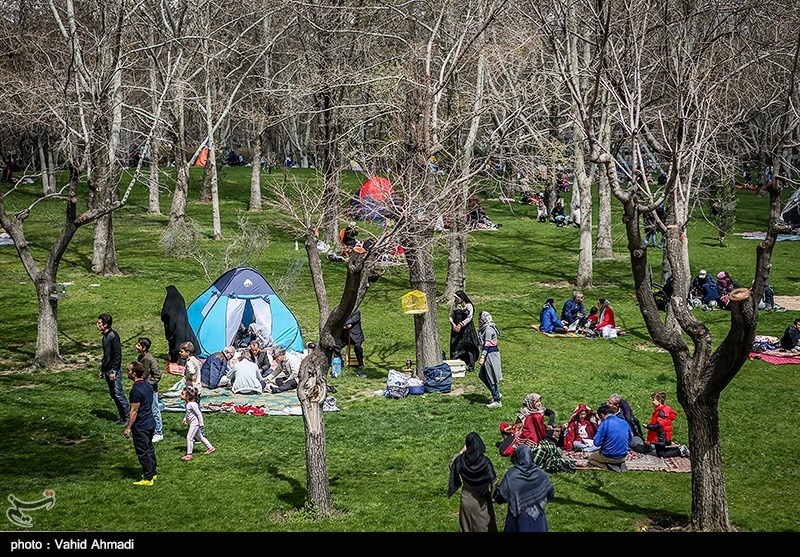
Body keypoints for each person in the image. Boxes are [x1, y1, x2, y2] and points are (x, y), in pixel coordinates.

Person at [494, 445, 555, 532]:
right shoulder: (540, 474)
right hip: (538, 517)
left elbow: (501, 495)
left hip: (518, 518)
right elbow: (550, 493)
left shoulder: (512, 475)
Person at [448, 432, 498, 532]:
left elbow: (452, 464)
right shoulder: (485, 462)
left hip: (466, 499)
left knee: (466, 527)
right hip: (481, 501)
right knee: (483, 527)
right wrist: (493, 497)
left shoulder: (461, 460)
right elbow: (494, 482)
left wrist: (461, 452)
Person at [123, 361, 157, 486]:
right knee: (149, 448)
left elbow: (134, 411)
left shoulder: (136, 390)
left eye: (129, 370)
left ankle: (148, 478)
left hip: (141, 425)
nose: (128, 372)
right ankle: (153, 472)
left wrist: (128, 428)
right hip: (150, 422)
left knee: (142, 451)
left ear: (134, 373)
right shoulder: (148, 385)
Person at [97, 313, 129, 425]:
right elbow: (106, 355)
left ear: (105, 325)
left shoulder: (113, 336)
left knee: (118, 393)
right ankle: (122, 417)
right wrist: (102, 369)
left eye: (99, 323)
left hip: (113, 370)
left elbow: (117, 355)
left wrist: (114, 370)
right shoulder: (105, 337)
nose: (97, 325)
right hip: (107, 369)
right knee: (113, 394)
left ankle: (128, 418)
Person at [584, 403, 632, 470]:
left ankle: (607, 466)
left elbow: (597, 443)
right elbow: (630, 438)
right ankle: (619, 463)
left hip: (609, 455)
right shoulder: (624, 422)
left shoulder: (604, 424)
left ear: (602, 415)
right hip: (623, 456)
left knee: (592, 459)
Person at [645, 391, 690, 458]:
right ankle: (680, 448)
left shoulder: (661, 412)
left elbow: (660, 426)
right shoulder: (663, 409)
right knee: (661, 451)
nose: (652, 402)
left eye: (653, 400)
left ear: (659, 401)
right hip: (662, 435)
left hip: (661, 436)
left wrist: (648, 426)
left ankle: (679, 451)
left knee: (661, 454)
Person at [160, 285, 198, 364]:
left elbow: (165, 313)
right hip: (182, 324)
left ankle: (176, 358)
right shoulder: (180, 298)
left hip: (173, 326)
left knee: (175, 342)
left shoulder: (170, 300)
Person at [136, 337, 164, 443]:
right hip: (143, 388)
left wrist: (148, 384)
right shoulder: (140, 358)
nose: (136, 346)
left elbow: (157, 375)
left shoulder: (150, 359)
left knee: (154, 409)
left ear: (144, 347)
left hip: (151, 389)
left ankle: (159, 432)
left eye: (138, 345)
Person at [180, 385, 215, 461]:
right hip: (193, 423)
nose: (181, 395)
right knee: (199, 437)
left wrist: (201, 423)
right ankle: (210, 447)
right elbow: (188, 413)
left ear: (188, 396)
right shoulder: (188, 404)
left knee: (189, 437)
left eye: (182, 394)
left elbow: (198, 413)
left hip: (195, 423)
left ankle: (189, 454)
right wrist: (185, 418)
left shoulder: (192, 404)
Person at [449, 290, 481, 373]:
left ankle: (470, 365)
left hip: (467, 329)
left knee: (469, 346)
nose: (455, 299)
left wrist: (461, 324)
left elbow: (469, 317)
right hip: (456, 329)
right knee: (456, 346)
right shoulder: (454, 305)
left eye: (457, 298)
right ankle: (455, 364)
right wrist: (453, 324)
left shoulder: (468, 306)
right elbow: (451, 316)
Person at [478, 311, 503, 408]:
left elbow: (487, 344)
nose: (478, 322)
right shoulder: (485, 329)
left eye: (479, 320)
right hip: (489, 355)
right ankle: (496, 392)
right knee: (482, 375)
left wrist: (483, 357)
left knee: (490, 377)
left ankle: (497, 400)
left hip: (490, 356)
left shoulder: (488, 330)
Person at [342, 310, 366, 376]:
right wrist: (345, 325)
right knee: (336, 346)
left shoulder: (356, 312)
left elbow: (352, 321)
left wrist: (344, 324)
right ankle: (339, 363)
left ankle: (360, 364)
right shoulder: (343, 311)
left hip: (356, 337)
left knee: (357, 347)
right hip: (345, 338)